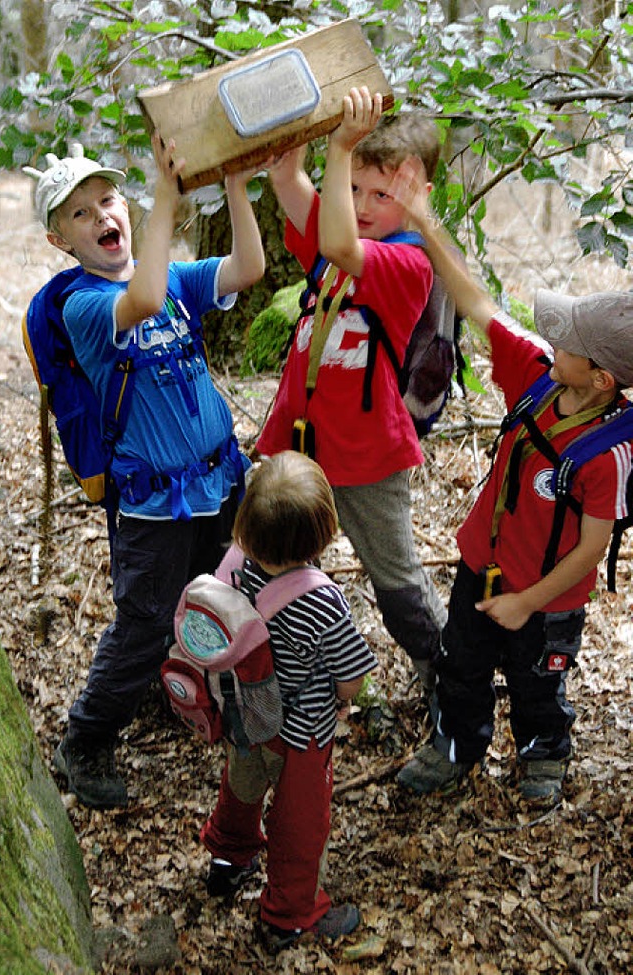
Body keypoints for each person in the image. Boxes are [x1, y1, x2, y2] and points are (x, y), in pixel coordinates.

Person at [23, 133, 265, 809]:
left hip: (218, 484)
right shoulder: (84, 307)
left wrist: (238, 185)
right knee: (144, 620)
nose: (103, 216)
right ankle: (86, 739)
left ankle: (188, 690)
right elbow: (147, 297)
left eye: (108, 200)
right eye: (81, 213)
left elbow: (249, 267)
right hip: (155, 503)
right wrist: (167, 192)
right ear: (59, 240)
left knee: (225, 596)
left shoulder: (176, 278)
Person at [390, 157, 633, 802]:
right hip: (483, 565)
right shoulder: (536, 377)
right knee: (460, 663)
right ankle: (454, 744)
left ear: (601, 378)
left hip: (548, 597)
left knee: (539, 680)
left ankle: (543, 751)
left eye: (568, 341)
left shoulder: (606, 454)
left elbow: (591, 547)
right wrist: (423, 218)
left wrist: (529, 601)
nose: (552, 339)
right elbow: (475, 299)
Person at [256, 86, 447, 696]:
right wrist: (295, 148)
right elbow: (292, 187)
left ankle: (447, 681)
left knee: (397, 583)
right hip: (300, 442)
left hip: (368, 454)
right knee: (269, 561)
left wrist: (339, 151)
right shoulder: (343, 230)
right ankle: (278, 669)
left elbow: (339, 241)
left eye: (382, 195)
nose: (361, 205)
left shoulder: (408, 263)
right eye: (356, 189)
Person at [199, 450, 377, 952]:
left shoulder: (233, 564)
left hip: (243, 714)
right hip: (300, 733)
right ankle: (289, 914)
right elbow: (349, 677)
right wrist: (345, 701)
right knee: (301, 820)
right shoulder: (321, 601)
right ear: (322, 534)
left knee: (241, 786)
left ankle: (228, 858)